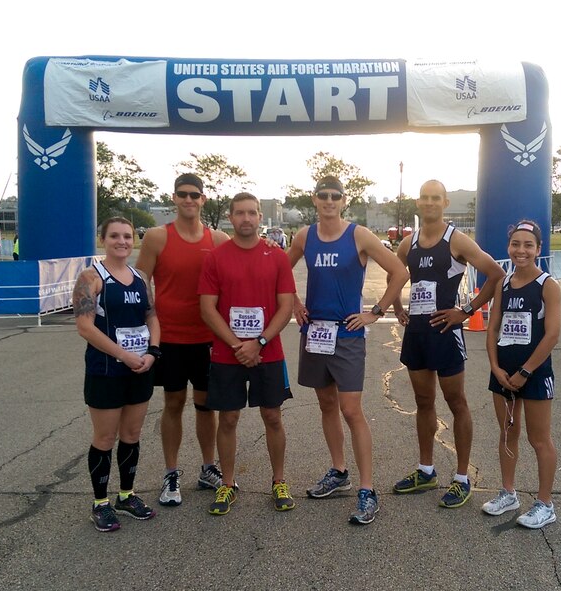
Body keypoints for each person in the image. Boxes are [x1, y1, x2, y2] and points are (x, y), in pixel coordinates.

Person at [288, 175, 409, 525]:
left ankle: (368, 489)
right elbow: (279, 271)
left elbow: (399, 271)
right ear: (314, 199)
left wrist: (376, 311)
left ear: (343, 200)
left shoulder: (358, 235)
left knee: (351, 409)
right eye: (323, 196)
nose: (329, 201)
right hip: (315, 333)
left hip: (348, 333)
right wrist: (295, 302)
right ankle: (339, 472)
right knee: (326, 403)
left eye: (335, 196)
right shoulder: (304, 236)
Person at [390, 179, 505, 508]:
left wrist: (466, 311)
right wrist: (397, 306)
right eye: (424, 197)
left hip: (445, 332)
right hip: (417, 333)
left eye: (435, 198)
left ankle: (461, 478)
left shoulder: (457, 240)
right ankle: (426, 470)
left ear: (445, 202)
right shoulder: (408, 243)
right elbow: (394, 275)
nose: (429, 203)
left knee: (457, 403)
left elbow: (495, 274)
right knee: (423, 401)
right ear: (418, 202)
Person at [135, 173, 230, 507]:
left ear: (203, 199)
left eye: (195, 195)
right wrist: (146, 324)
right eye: (182, 195)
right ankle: (171, 472)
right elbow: (139, 282)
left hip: (207, 337)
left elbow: (237, 267)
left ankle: (208, 468)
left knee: (206, 406)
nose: (189, 200)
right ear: (174, 198)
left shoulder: (217, 239)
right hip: (171, 337)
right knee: (174, 403)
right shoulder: (158, 237)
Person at [199, 192, 296, 516]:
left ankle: (279, 481)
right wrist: (238, 345)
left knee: (272, 416)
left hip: (268, 352)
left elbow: (286, 307)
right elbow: (207, 308)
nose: (246, 218)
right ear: (230, 216)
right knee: (227, 418)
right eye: (240, 213)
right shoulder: (215, 257)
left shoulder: (277, 256)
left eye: (252, 213)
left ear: (259, 217)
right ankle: (227, 484)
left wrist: (260, 342)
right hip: (228, 355)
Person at [72, 217, 159, 532]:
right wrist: (124, 355)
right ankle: (100, 503)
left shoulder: (140, 277)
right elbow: (84, 326)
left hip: (140, 370)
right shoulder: (91, 277)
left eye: (127, 236)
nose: (122, 241)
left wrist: (153, 352)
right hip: (106, 370)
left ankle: (126, 495)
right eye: (114, 236)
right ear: (103, 239)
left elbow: (151, 316)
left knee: (132, 435)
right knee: (105, 437)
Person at [483, 220, 560, 528]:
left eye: (528, 245)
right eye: (516, 244)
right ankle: (508, 492)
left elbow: (553, 334)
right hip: (503, 374)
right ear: (508, 247)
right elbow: (492, 326)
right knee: (507, 434)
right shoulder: (503, 283)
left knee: (538, 439)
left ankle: (545, 504)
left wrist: (526, 371)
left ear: (538, 249)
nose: (521, 250)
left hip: (535, 374)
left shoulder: (547, 285)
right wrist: (495, 367)